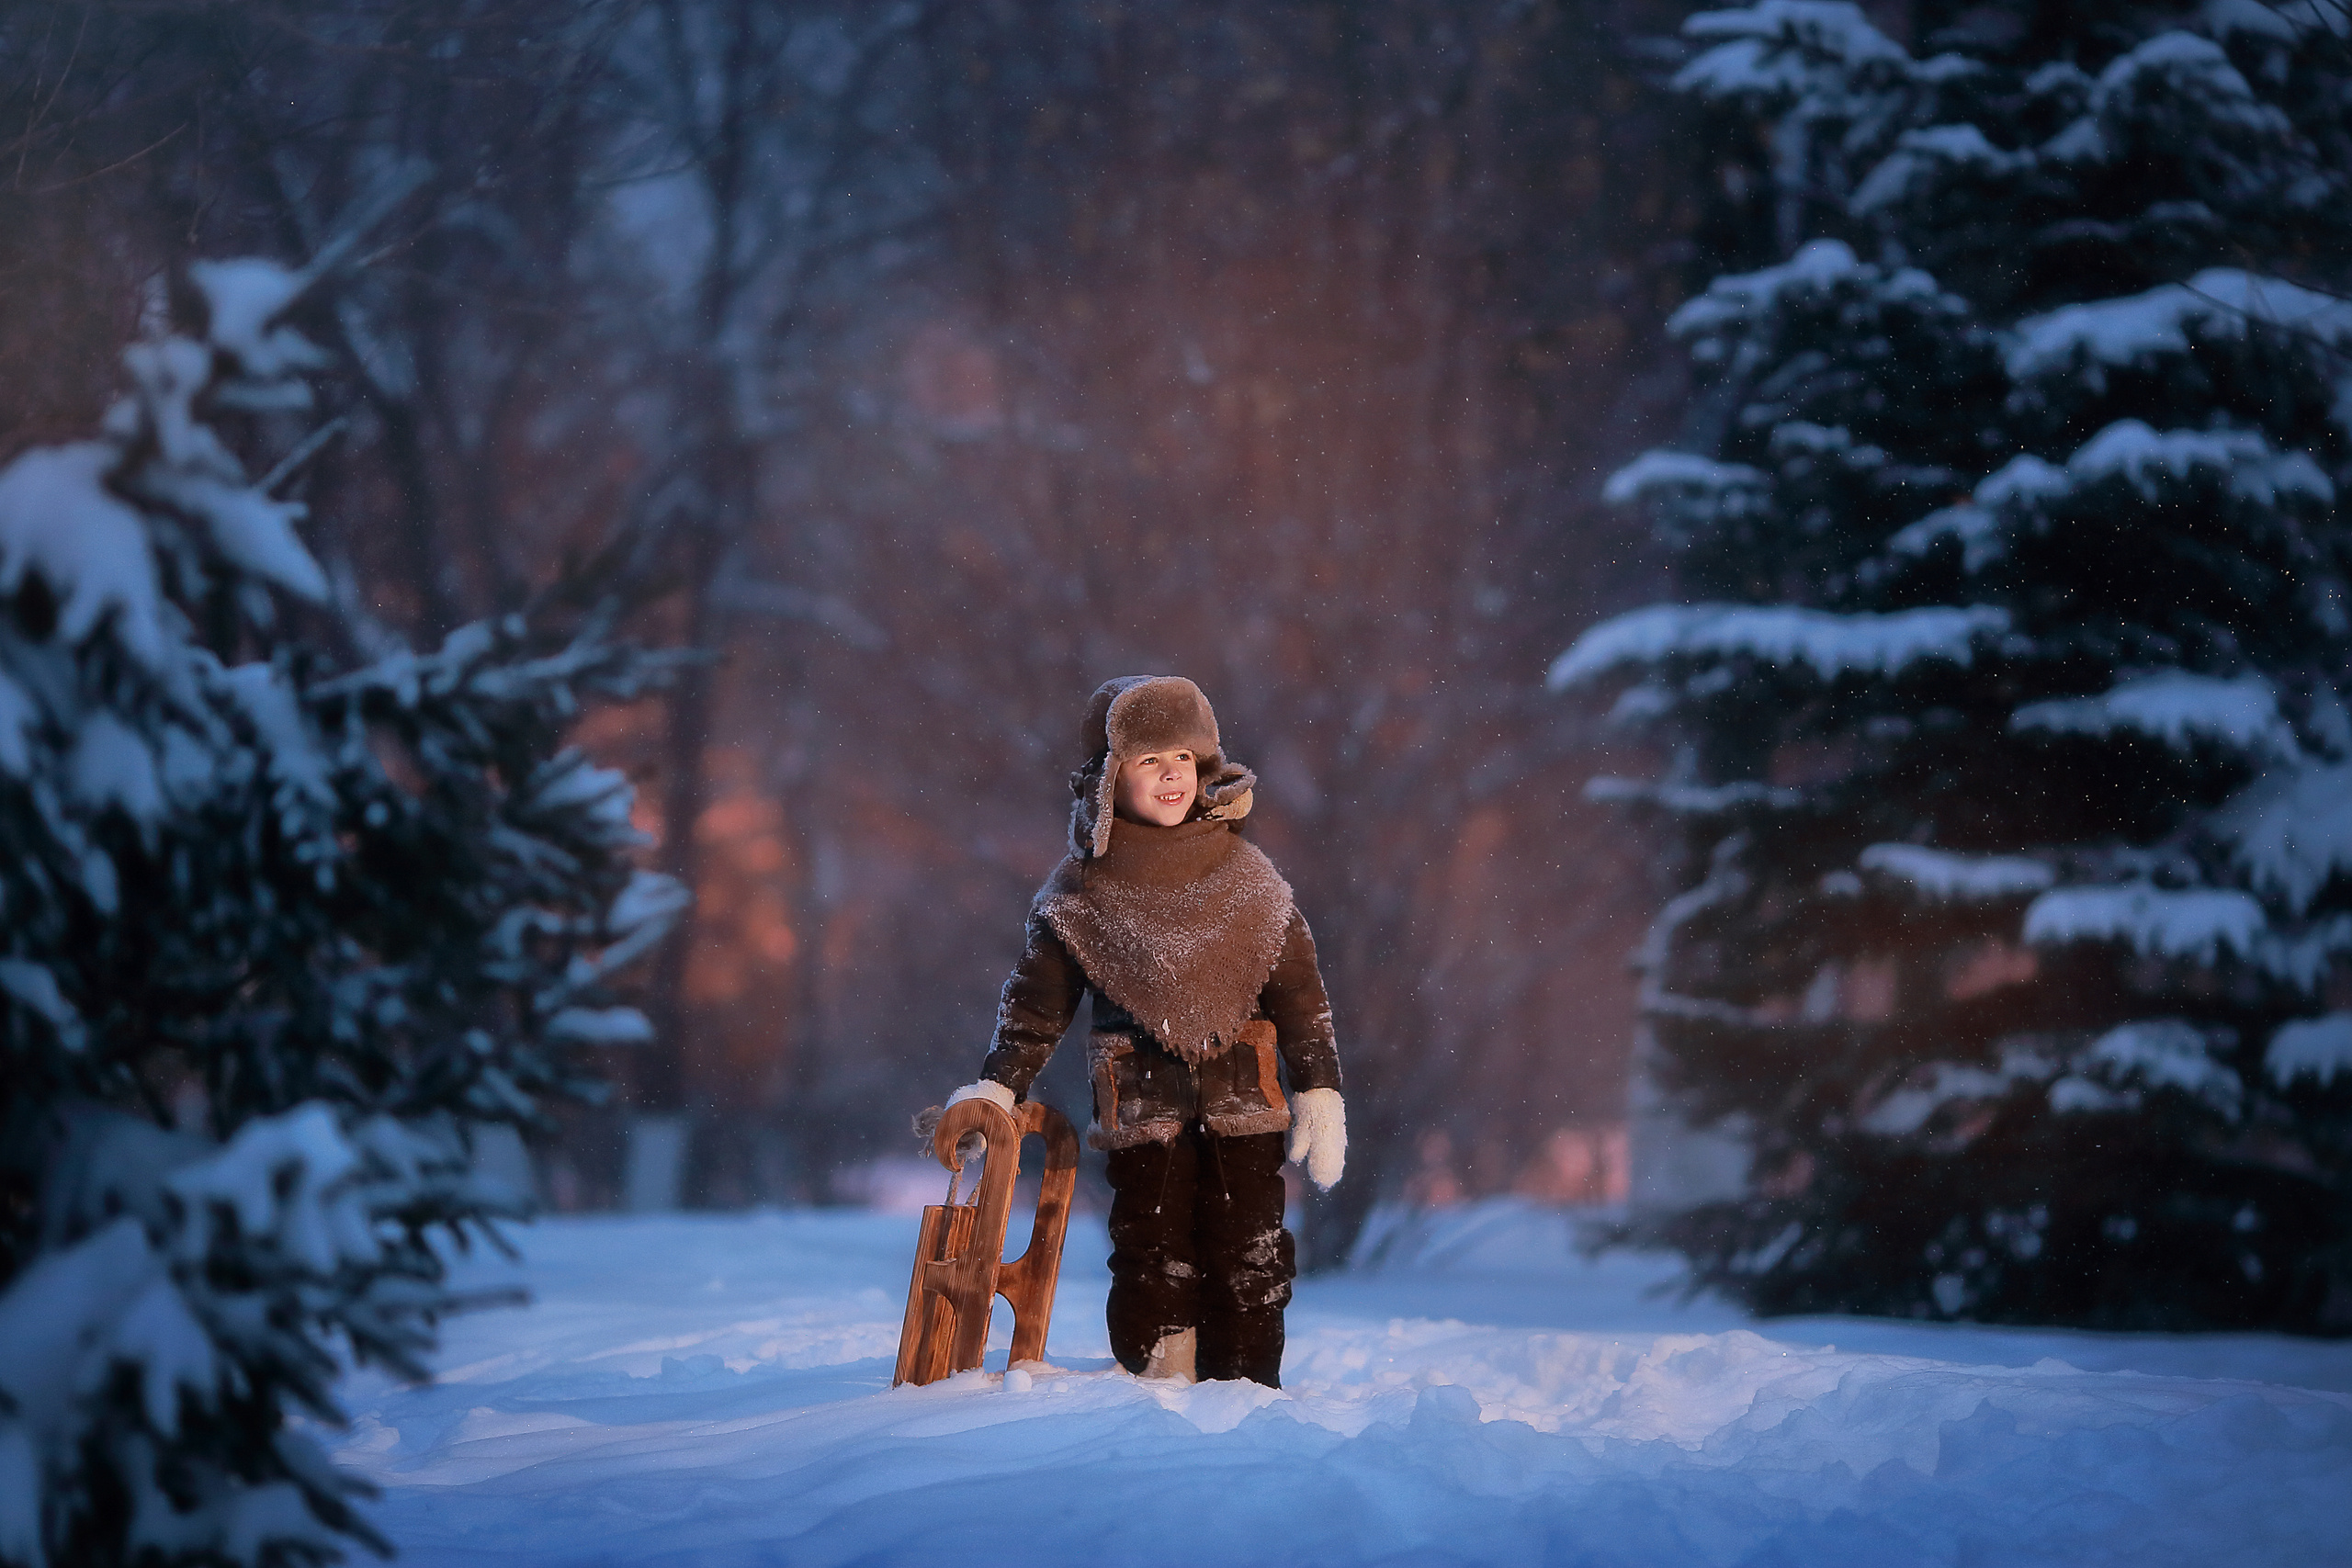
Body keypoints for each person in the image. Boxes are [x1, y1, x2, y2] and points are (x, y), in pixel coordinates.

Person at [938, 675, 1346, 1388]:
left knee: (1250, 1245)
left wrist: (1319, 1087)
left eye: (1184, 758)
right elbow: (1034, 1007)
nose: (1171, 775)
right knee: (1152, 1242)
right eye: (1149, 759)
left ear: (1207, 767)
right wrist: (998, 1087)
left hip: (1244, 1100)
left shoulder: (1250, 881)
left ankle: (1248, 1386)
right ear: (1108, 778)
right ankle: (1160, 1380)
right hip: (1141, 1105)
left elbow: (1301, 995)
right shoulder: (1080, 890)